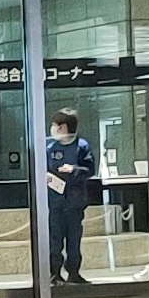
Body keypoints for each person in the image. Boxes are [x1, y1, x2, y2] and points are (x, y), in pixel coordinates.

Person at [42, 106, 100, 286]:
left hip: (75, 202)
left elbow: (89, 169)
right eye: (54, 125)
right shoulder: (50, 147)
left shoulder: (82, 146)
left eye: (59, 126)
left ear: (68, 127)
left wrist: (73, 170)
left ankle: (74, 272)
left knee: (74, 240)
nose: (55, 129)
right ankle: (54, 274)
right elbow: (41, 170)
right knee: (55, 240)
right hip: (55, 202)